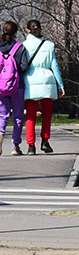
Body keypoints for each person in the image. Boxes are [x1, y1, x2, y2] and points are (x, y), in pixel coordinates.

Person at [22, 20, 64, 154]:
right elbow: (54, 66)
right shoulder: (49, 45)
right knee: (46, 114)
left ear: (28, 30)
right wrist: (60, 84)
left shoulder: (23, 46)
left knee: (30, 116)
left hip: (30, 81)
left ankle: (30, 146)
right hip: (47, 80)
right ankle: (45, 141)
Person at [0, 21, 30, 155]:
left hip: (1, 87)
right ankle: (15, 146)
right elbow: (24, 66)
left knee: (2, 115)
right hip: (17, 86)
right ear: (15, 33)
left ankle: (0, 136)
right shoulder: (20, 48)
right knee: (18, 116)